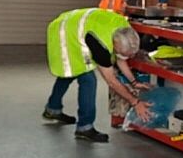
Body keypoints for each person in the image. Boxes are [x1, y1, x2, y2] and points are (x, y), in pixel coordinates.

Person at [43, 8, 148, 143]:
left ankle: (53, 109)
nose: (126, 57)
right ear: (114, 44)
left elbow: (121, 58)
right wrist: (135, 102)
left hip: (79, 26)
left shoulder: (125, 30)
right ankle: (84, 127)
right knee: (88, 80)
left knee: (69, 72)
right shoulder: (101, 46)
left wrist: (134, 82)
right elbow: (111, 81)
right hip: (65, 31)